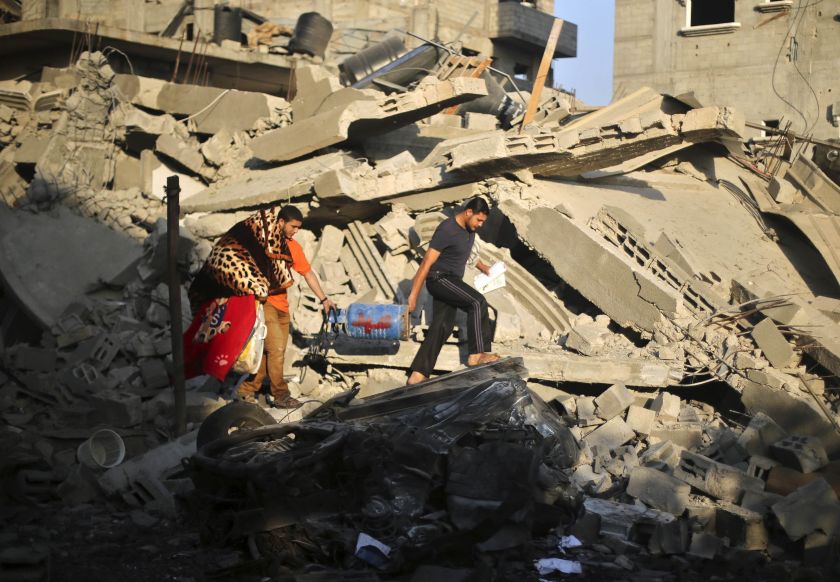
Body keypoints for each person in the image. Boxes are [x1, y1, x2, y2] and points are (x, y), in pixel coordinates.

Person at [188, 205, 334, 408]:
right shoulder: (261, 243)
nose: (296, 231)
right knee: (276, 350)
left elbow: (308, 273)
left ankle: (246, 390)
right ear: (281, 222)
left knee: (269, 353)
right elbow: (241, 264)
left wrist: (324, 299)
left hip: (283, 308)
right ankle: (280, 395)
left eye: (299, 228)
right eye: (293, 226)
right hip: (266, 306)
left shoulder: (292, 247)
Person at [406, 197, 500, 385]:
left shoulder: (469, 230)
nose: (480, 225)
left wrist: (484, 268)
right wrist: (413, 296)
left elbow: (466, 254)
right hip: (438, 278)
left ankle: (418, 374)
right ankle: (476, 354)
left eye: (483, 221)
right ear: (468, 212)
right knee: (476, 302)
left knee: (443, 326)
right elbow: (426, 263)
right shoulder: (447, 229)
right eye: (478, 220)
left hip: (452, 280)